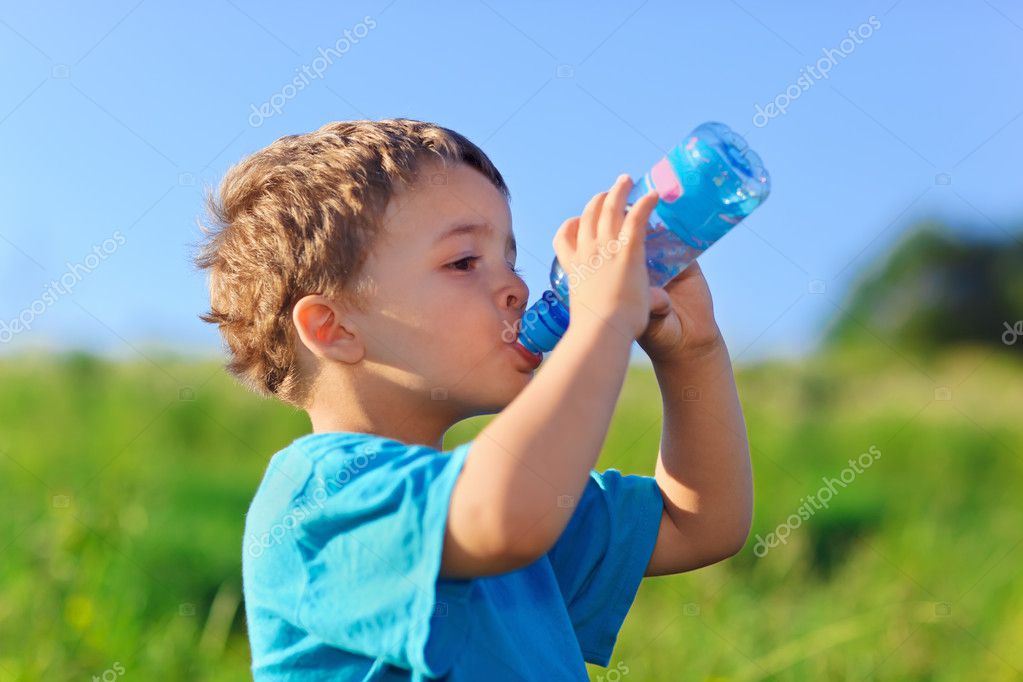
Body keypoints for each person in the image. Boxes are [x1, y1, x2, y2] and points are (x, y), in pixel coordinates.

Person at [193, 118, 753, 680]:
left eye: (510, 259)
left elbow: (700, 527)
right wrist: (602, 323)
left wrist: (694, 353)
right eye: (464, 262)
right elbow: (504, 517)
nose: (519, 288)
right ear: (333, 328)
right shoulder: (320, 500)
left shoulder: (506, 499)